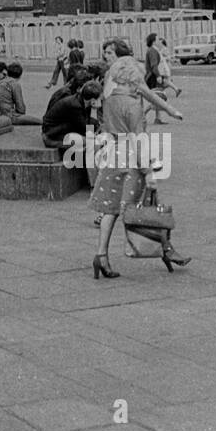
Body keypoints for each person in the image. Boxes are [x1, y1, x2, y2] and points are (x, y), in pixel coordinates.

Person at [90, 40, 188, 279]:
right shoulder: (132, 105)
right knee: (148, 205)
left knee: (111, 209)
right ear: (134, 79)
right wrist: (149, 173)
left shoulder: (110, 96)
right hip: (132, 159)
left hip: (113, 154)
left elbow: (145, 94)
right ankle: (164, 248)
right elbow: (138, 140)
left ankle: (101, 256)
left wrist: (169, 109)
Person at [0, 61, 41, 125]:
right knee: (40, 121)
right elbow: (20, 107)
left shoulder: (1, 82)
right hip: (9, 115)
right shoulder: (14, 83)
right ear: (20, 76)